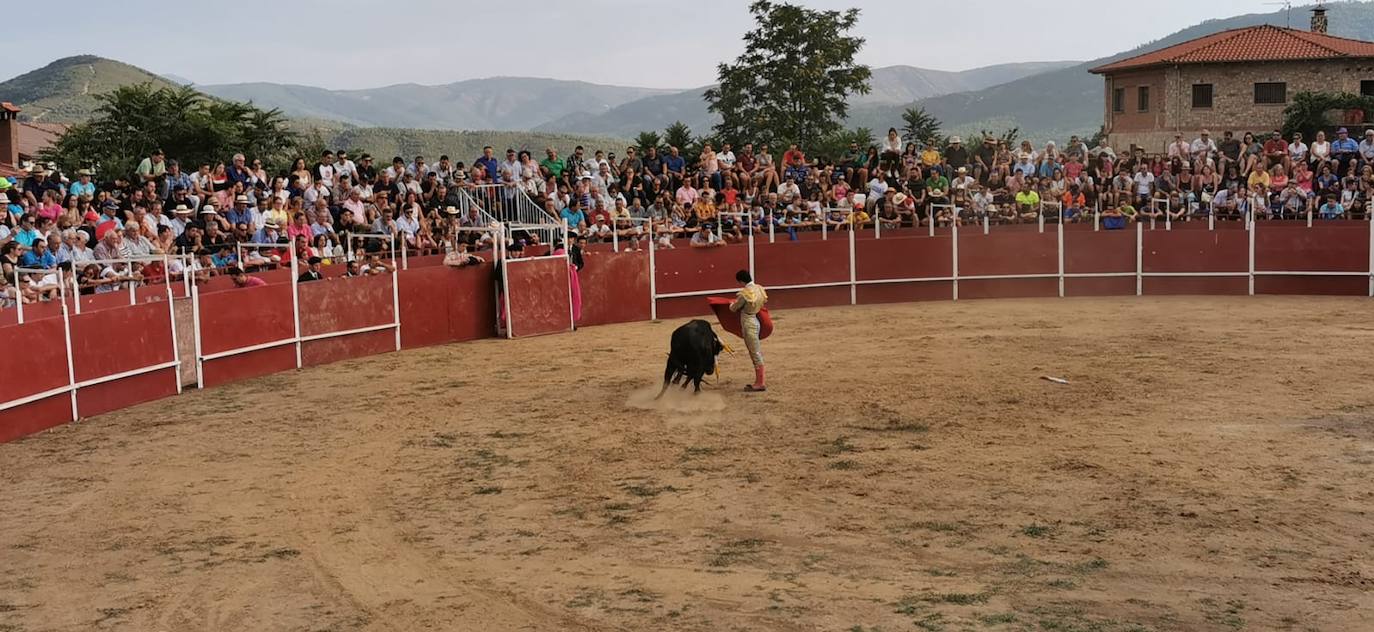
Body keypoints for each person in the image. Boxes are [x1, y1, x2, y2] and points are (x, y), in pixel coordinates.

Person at [730, 269, 769, 392]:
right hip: (756, 321)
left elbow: (734, 308)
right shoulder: (760, 289)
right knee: (755, 351)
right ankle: (759, 381)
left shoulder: (745, 294)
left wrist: (731, 304)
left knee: (755, 353)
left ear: (741, 281)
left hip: (748, 323)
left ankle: (760, 383)